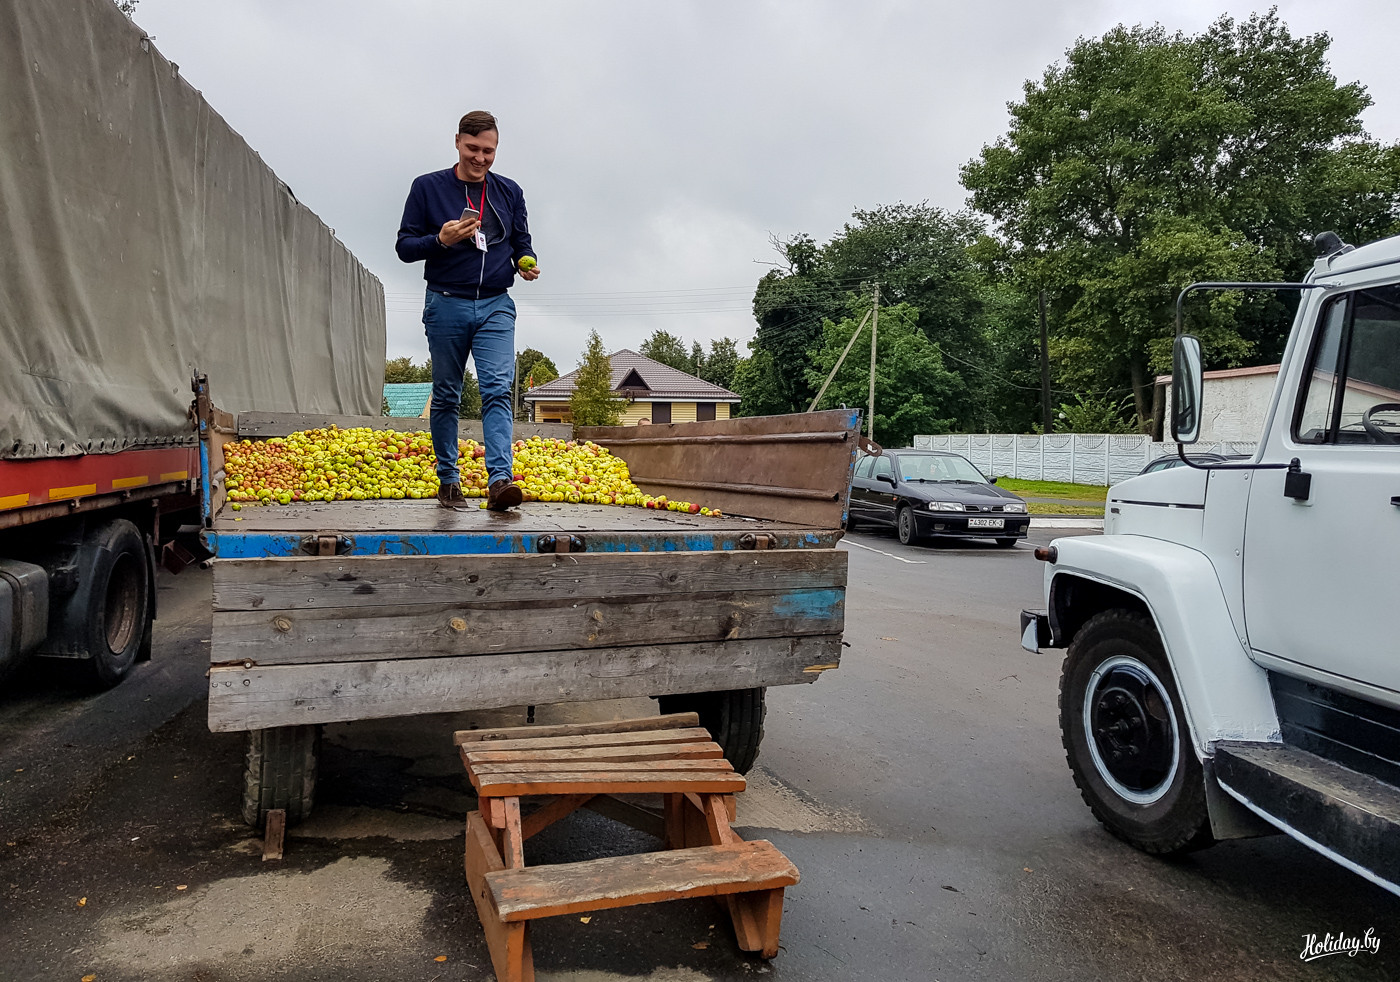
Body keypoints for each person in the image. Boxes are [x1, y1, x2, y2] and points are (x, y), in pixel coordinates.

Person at [395, 110, 540, 511]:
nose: (480, 158)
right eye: (473, 148)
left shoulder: (509, 191)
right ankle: (448, 481)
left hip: (496, 304)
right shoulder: (427, 187)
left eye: (488, 151)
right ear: (457, 141)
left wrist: (525, 261)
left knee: (497, 389)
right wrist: (439, 240)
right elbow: (405, 247)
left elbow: (522, 241)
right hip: (446, 302)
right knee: (446, 394)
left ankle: (500, 482)